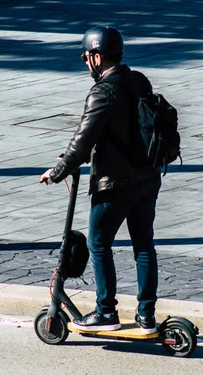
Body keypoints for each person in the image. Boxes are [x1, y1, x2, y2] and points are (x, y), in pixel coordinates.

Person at [40, 26, 161, 334]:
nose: (85, 63)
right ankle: (146, 316)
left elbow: (83, 139)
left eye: (86, 56)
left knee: (98, 244)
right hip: (148, 177)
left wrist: (57, 171)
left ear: (96, 56)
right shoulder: (138, 80)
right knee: (143, 245)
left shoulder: (102, 92)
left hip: (115, 184)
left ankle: (106, 311)